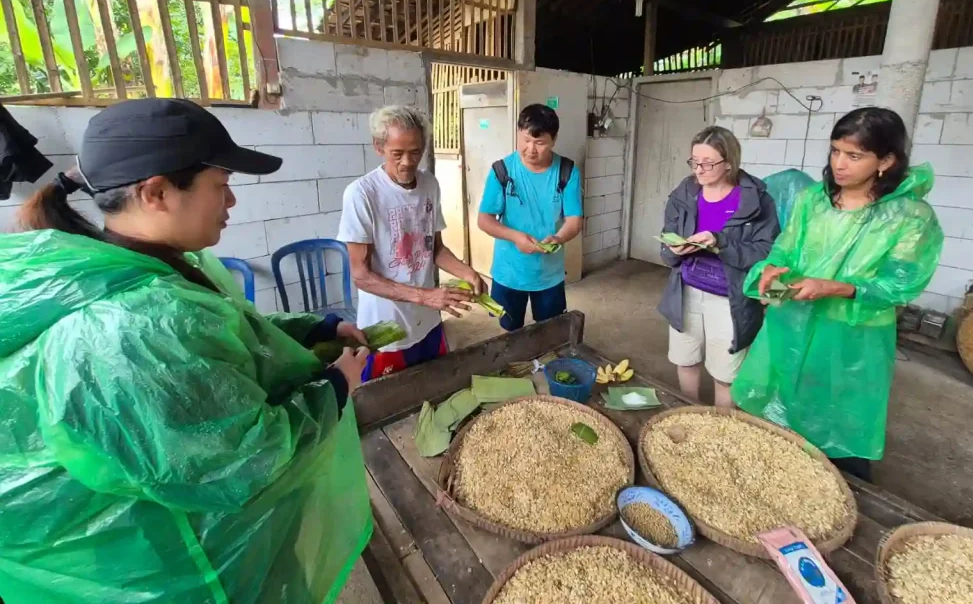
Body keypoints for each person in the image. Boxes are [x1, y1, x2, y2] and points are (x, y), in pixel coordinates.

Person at [0, 98, 372, 604]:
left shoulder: (152, 268)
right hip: (185, 561)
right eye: (220, 186)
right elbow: (244, 460)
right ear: (156, 193)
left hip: (196, 540)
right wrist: (335, 387)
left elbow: (230, 331)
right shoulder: (135, 326)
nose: (232, 202)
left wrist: (312, 327)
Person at [732, 107, 943, 481]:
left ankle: (843, 502)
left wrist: (835, 288)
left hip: (852, 339)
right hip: (791, 322)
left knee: (841, 427)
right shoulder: (814, 200)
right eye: (835, 151)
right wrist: (771, 268)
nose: (839, 164)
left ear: (886, 161)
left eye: (854, 155)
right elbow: (785, 248)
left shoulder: (910, 217)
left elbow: (899, 285)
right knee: (780, 409)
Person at [339, 105, 486, 379]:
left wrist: (468, 273)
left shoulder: (430, 184)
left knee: (436, 385)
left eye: (416, 152)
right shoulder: (362, 194)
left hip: (428, 319)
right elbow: (360, 275)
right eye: (397, 153)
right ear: (378, 146)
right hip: (387, 326)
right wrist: (425, 295)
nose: (407, 162)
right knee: (390, 402)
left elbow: (435, 248)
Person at [657, 126, 780, 407]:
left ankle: (720, 430)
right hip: (686, 291)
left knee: (725, 375)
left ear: (728, 164)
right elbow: (667, 234)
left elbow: (767, 250)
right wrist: (673, 249)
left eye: (708, 163)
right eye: (694, 162)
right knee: (685, 360)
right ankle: (690, 413)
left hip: (730, 299)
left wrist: (721, 242)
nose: (699, 170)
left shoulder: (756, 201)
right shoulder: (685, 193)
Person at [478, 104, 583, 331]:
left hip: (549, 275)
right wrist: (515, 236)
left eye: (540, 142)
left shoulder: (567, 171)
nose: (530, 149)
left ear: (554, 140)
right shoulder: (502, 171)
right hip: (509, 272)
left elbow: (574, 221)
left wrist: (558, 238)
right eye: (525, 140)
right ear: (518, 133)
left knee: (549, 331)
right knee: (508, 331)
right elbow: (484, 219)